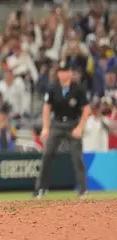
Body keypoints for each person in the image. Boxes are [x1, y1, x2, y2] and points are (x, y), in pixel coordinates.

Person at [34, 61, 91, 199]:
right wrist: (46, 127)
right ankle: (40, 189)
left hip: (73, 124)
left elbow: (86, 109)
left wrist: (80, 127)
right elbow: (46, 108)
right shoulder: (53, 88)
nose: (62, 73)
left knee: (77, 157)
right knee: (47, 155)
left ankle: (83, 190)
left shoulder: (78, 89)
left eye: (65, 71)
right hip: (57, 124)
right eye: (60, 71)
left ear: (70, 73)